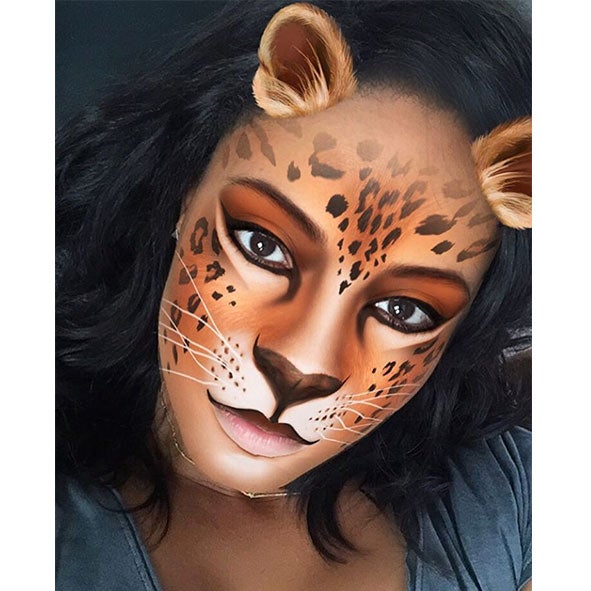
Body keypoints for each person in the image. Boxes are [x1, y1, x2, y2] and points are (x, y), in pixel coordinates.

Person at [55, 1, 532, 589]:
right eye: (263, 246)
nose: (304, 364)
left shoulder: (510, 494)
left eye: (403, 310)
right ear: (185, 193)